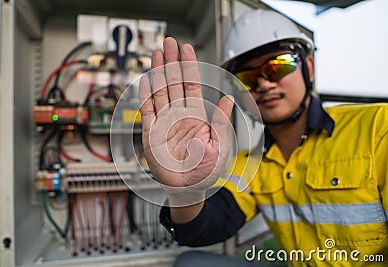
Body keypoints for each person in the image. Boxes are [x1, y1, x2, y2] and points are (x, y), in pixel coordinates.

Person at [138, 8, 388, 267]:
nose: (265, 84)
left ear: (309, 69)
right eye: (248, 77)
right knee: (190, 262)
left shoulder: (378, 128)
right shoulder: (251, 165)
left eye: (278, 66)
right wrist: (185, 192)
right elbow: (203, 228)